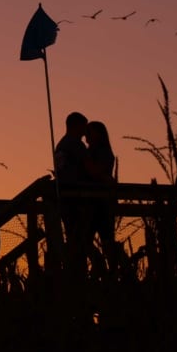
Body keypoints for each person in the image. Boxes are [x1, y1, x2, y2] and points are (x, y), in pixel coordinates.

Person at [54, 112, 89, 280]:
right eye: (83, 127)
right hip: (77, 198)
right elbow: (88, 166)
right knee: (79, 240)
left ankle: (74, 273)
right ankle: (78, 276)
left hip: (66, 198)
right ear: (76, 125)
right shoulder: (75, 144)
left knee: (72, 238)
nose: (85, 132)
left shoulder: (61, 145)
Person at [83, 120, 120, 276]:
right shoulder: (93, 151)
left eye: (88, 133)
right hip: (94, 203)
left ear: (97, 134)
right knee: (88, 240)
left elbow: (98, 172)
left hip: (101, 203)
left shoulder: (102, 151)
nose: (85, 137)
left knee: (104, 240)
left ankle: (109, 271)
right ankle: (100, 269)